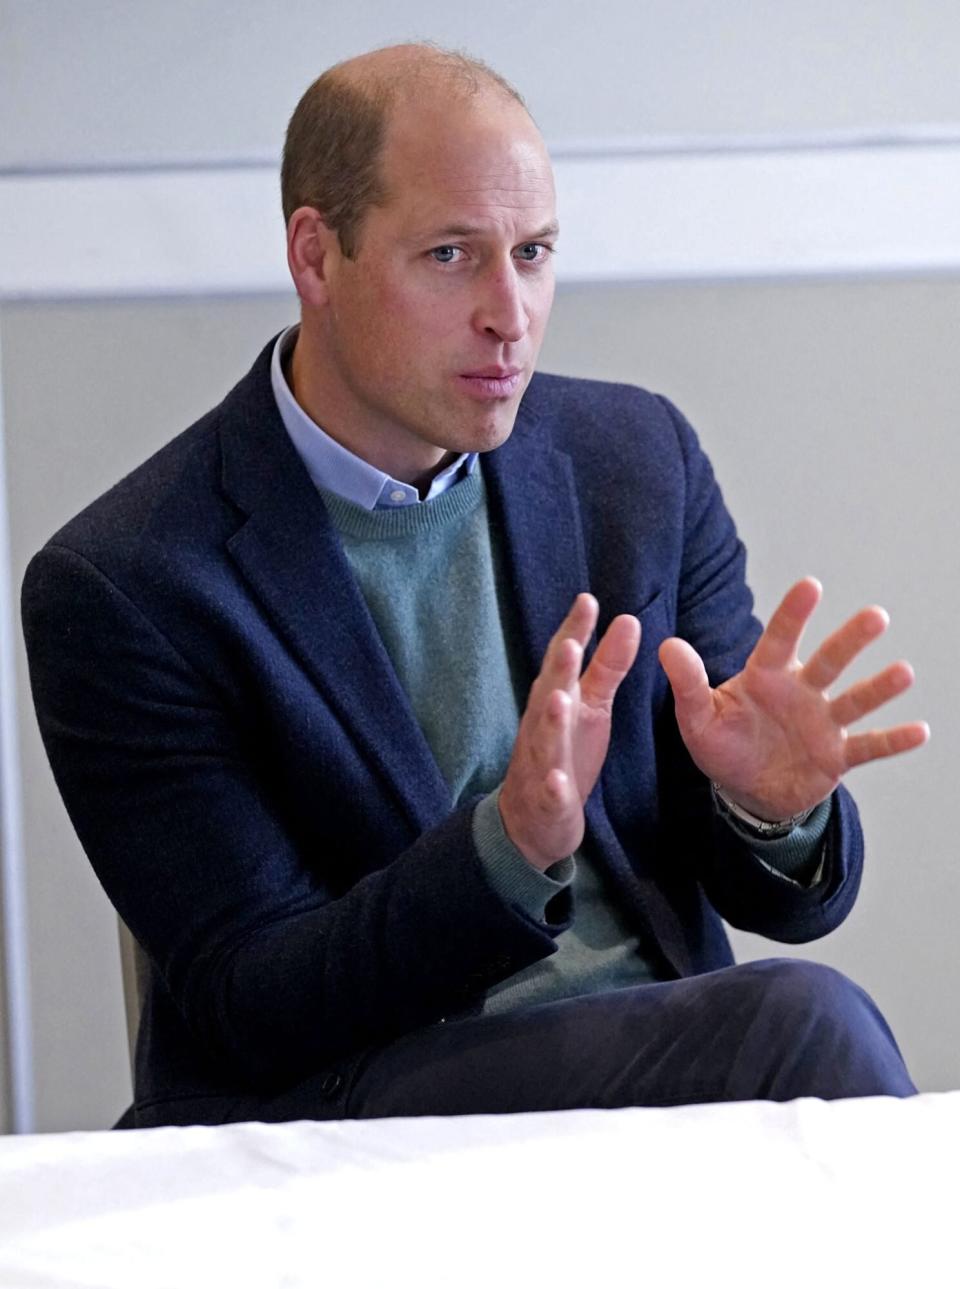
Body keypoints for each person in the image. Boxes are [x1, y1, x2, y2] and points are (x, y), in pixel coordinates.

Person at [22, 44, 927, 1128]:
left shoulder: (635, 460)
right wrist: (508, 847)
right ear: (317, 255)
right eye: (451, 255)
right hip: (358, 1094)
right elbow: (252, 996)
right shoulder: (127, 582)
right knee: (805, 1027)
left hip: (663, 1061)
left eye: (534, 252)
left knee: (796, 1028)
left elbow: (770, 893)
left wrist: (767, 808)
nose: (512, 313)